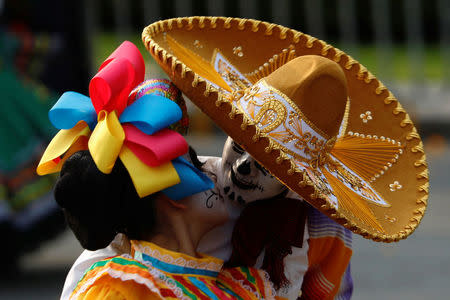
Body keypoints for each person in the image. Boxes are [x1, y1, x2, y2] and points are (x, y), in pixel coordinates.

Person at [144, 16, 428, 299]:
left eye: (266, 165)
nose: (243, 168)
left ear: (294, 181)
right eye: (240, 146)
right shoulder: (181, 184)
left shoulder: (319, 229)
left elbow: (331, 293)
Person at [38, 41, 277, 300]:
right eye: (197, 164)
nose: (217, 167)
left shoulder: (242, 287)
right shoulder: (123, 288)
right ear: (172, 196)